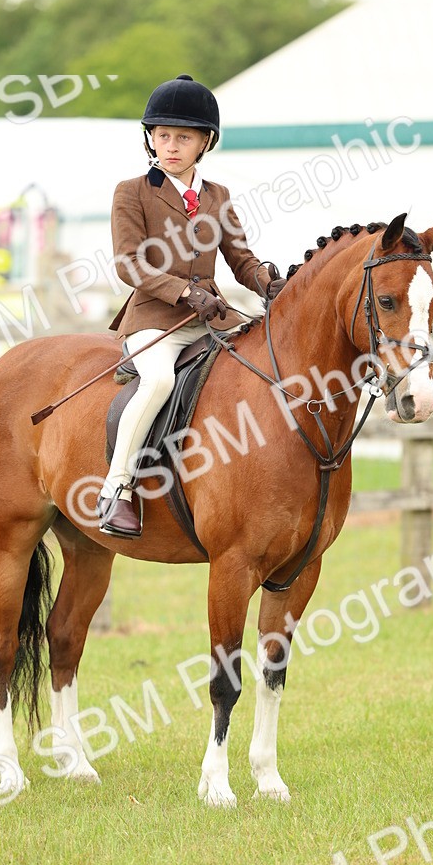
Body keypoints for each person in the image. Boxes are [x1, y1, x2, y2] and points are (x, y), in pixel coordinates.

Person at [98, 73, 285, 538]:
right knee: (159, 379)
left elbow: (240, 259)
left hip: (210, 319)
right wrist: (182, 291)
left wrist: (269, 282)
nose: (171, 145)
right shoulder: (132, 191)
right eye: (163, 136)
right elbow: (128, 262)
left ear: (205, 142)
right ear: (151, 139)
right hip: (154, 319)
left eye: (183, 137)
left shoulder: (216, 196)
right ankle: (116, 489)